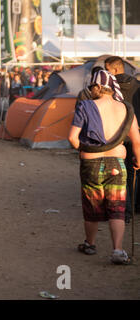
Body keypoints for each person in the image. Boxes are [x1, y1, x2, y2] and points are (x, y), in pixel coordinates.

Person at [68, 69, 140, 265]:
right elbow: (136, 139)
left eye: (92, 87)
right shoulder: (126, 108)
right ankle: (117, 250)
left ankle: (90, 244)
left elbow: (72, 138)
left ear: (100, 87)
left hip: (91, 163)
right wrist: (138, 161)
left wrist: (86, 151)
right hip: (117, 163)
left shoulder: (85, 106)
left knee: (92, 205)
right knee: (117, 207)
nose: (90, 91)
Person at [105, 56, 140, 224]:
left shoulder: (110, 87)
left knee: (120, 174)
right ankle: (135, 207)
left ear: (116, 69)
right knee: (136, 171)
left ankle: (125, 211)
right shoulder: (137, 85)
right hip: (137, 133)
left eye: (107, 69)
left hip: (118, 135)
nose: (106, 72)